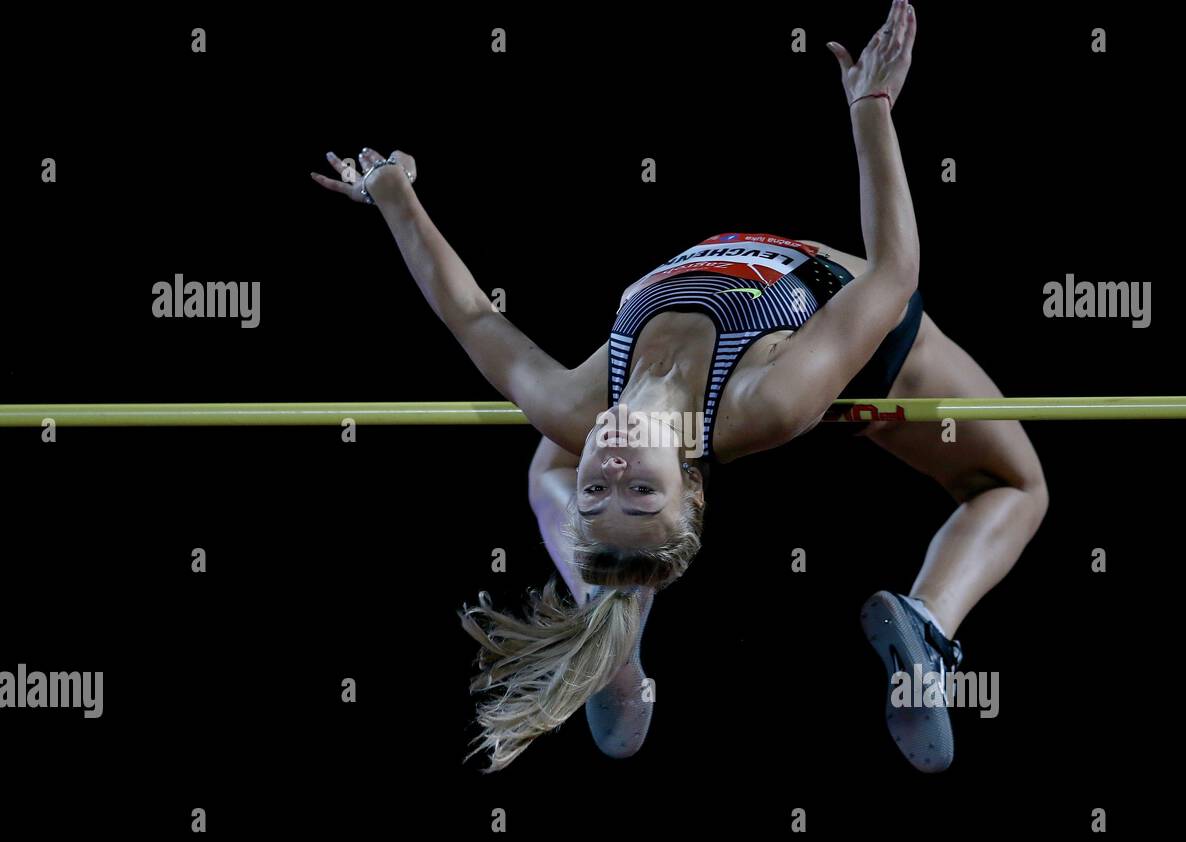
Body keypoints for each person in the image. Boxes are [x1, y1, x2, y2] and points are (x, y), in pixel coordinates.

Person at [311, 0, 1047, 773]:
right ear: (690, 488)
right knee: (1013, 485)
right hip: (871, 340)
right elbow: (894, 274)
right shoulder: (765, 402)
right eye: (643, 497)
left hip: (743, 296)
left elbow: (467, 313)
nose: (612, 475)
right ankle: (928, 622)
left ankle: (614, 617)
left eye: (596, 497)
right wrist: (871, 107)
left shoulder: (574, 408)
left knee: (545, 464)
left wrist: (393, 194)